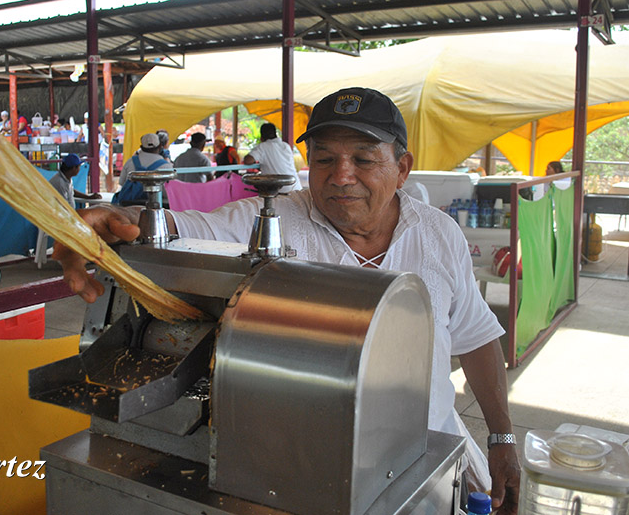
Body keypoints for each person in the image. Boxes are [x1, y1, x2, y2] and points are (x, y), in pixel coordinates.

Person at [54, 87, 520, 515]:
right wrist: (116, 216)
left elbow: (477, 337)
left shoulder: (438, 234)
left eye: (363, 158)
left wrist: (501, 436)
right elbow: (187, 226)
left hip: (426, 454)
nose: (342, 176)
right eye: (324, 158)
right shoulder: (273, 221)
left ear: (402, 168)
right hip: (303, 469)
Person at [114, 133, 174, 205]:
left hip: (130, 204)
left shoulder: (130, 162)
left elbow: (122, 182)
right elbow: (168, 191)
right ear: (159, 147)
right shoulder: (166, 166)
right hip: (157, 204)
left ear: (141, 147)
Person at [243, 123, 302, 193]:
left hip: (280, 191)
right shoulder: (286, 146)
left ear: (262, 136)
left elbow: (247, 160)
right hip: (296, 187)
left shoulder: (263, 147)